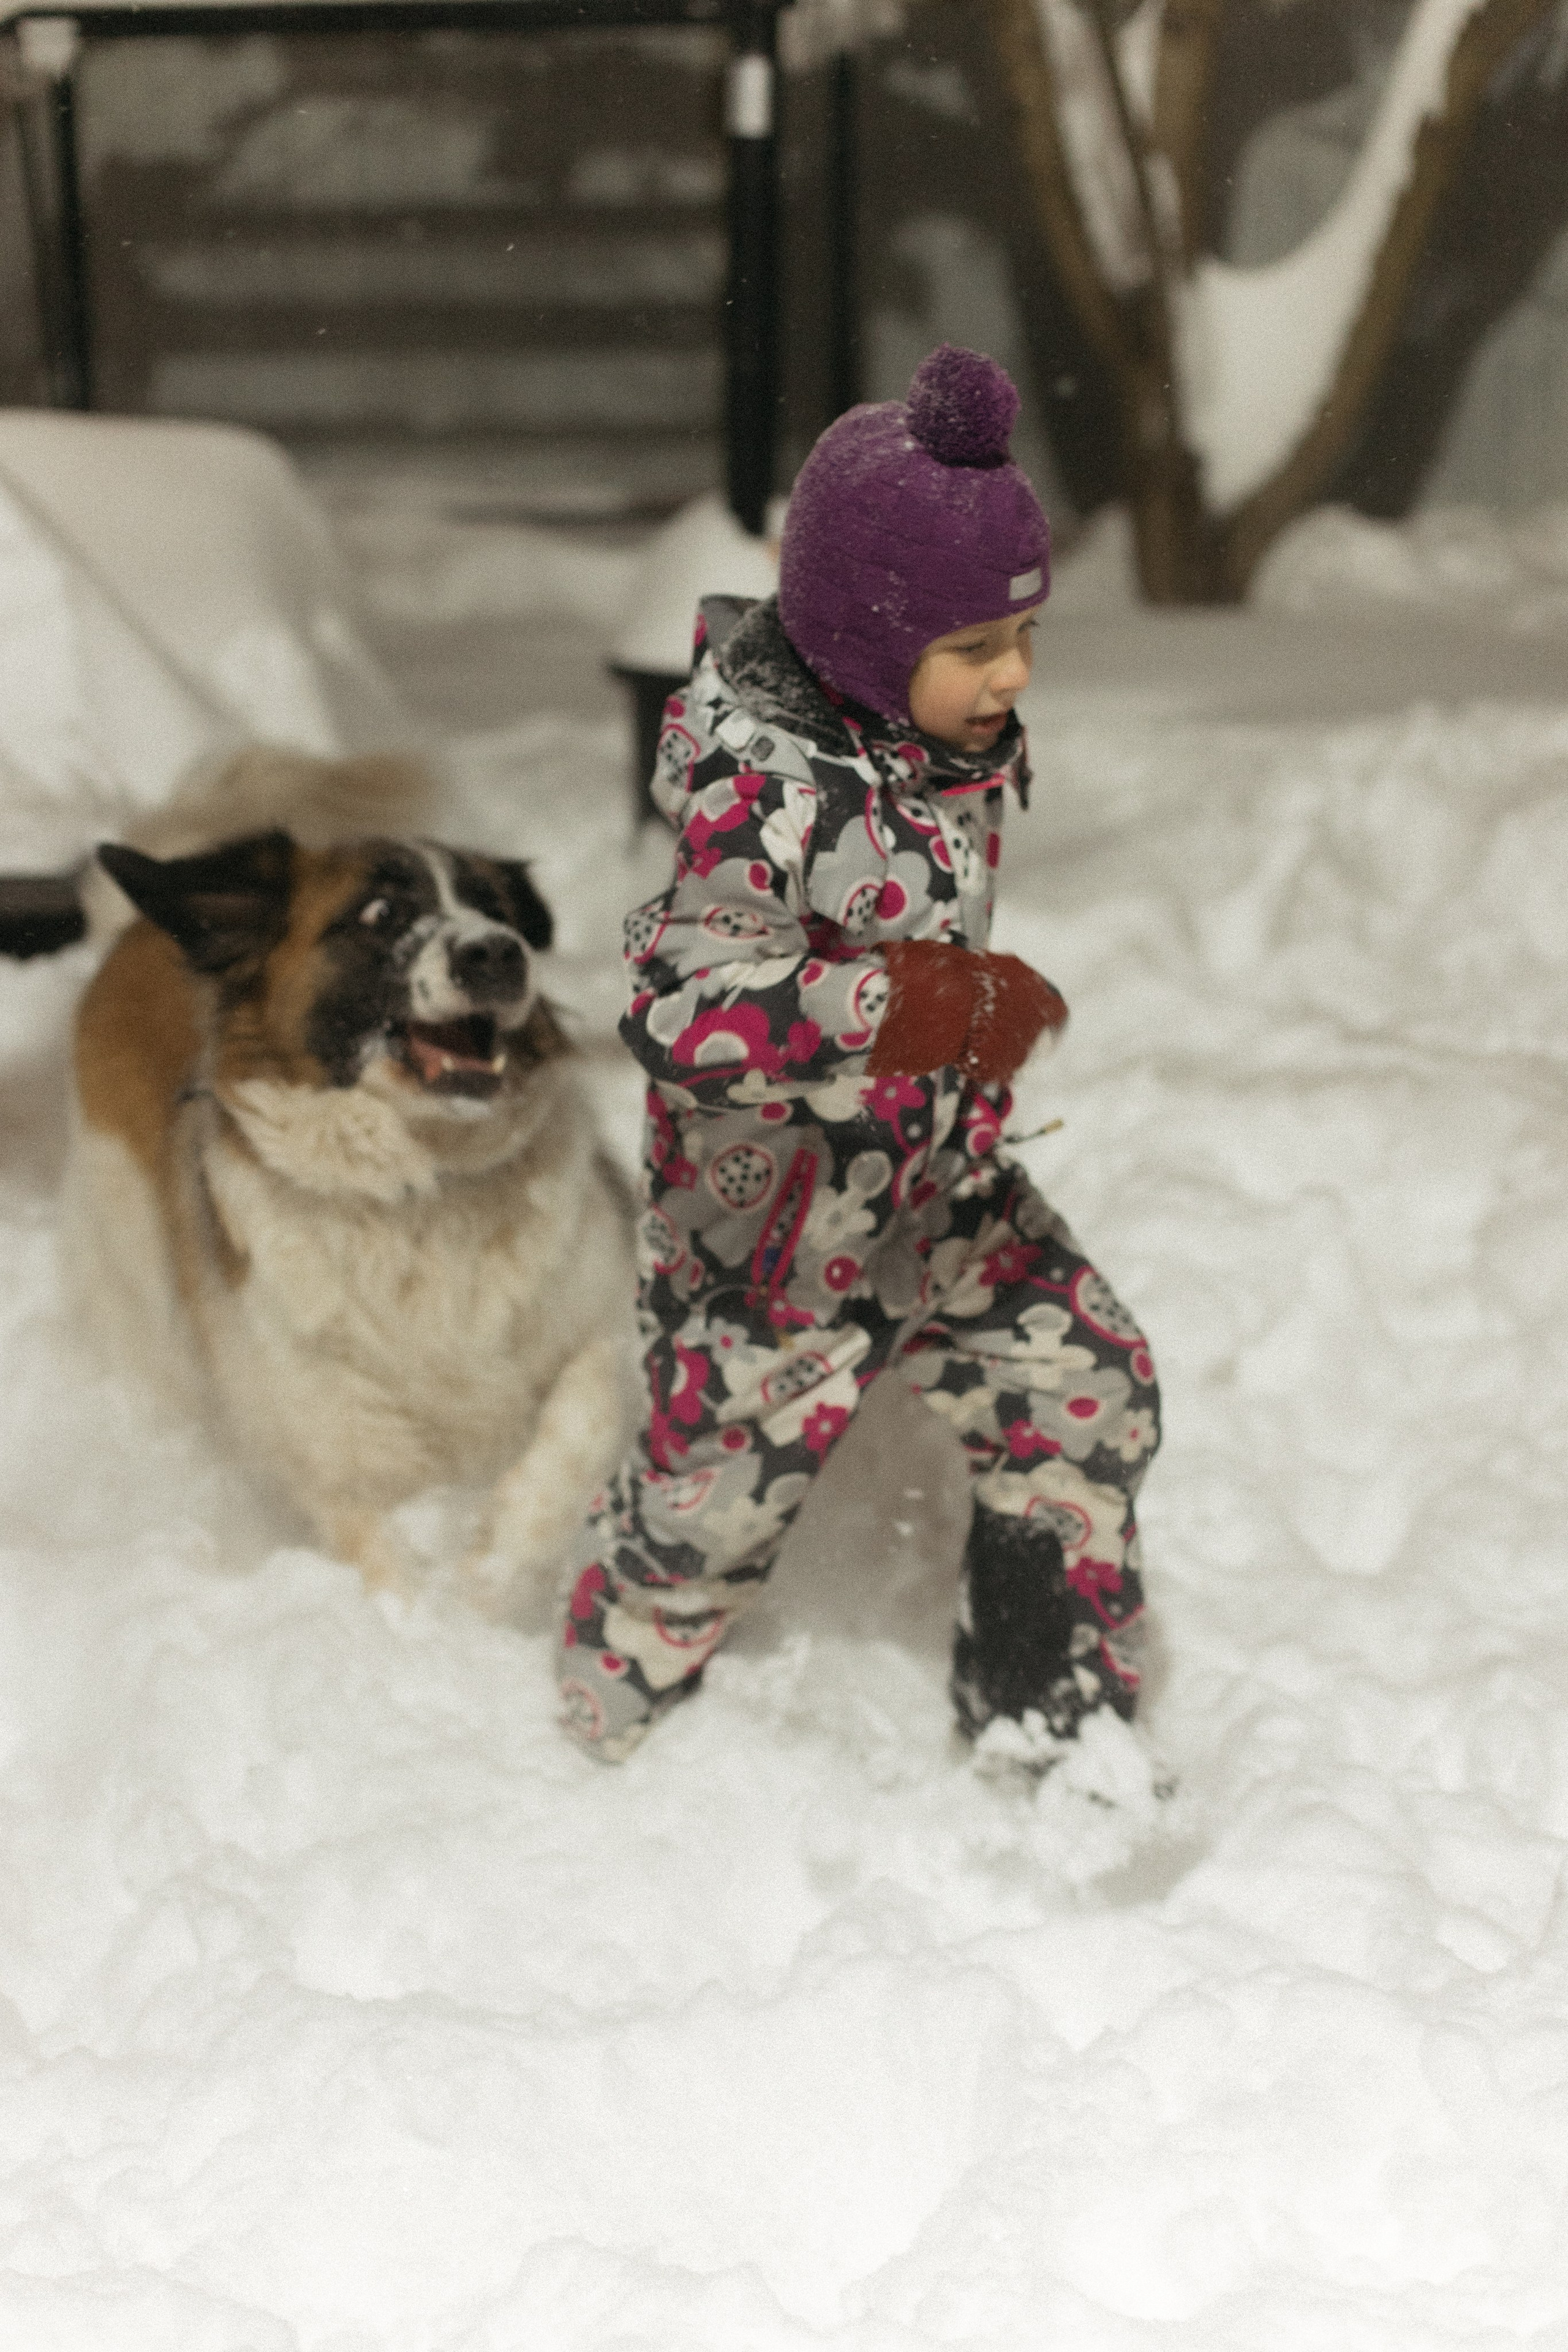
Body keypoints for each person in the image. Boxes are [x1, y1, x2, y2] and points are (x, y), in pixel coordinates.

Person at [558, 344, 1161, 1768]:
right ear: (862, 640)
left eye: (1023, 635)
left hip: (940, 1193)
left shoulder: (931, 727)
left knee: (1086, 1390)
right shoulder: (757, 788)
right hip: (768, 1246)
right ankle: (598, 1742)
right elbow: (686, 1002)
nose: (1011, 674)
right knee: (697, 1525)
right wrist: (920, 1010)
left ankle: (1044, 1718)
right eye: (973, 648)